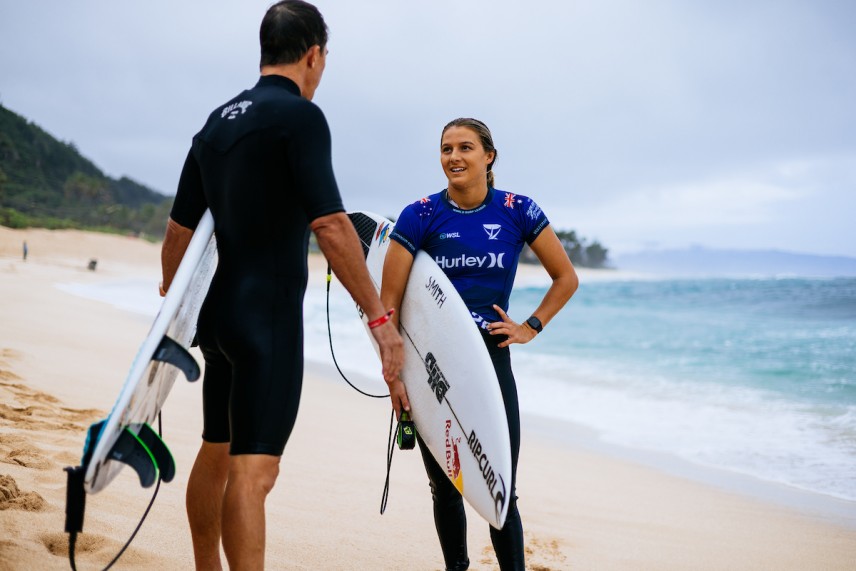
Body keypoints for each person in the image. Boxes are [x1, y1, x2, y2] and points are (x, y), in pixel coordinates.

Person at [159, 2, 404, 569]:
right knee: (255, 471)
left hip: (216, 319)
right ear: (314, 54)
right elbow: (331, 225)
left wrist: (173, 308)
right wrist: (378, 320)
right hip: (265, 321)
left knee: (216, 450)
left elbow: (177, 233)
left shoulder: (215, 122)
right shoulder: (301, 118)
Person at [381, 118, 578, 570]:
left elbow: (565, 278)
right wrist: (393, 375)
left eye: (465, 147)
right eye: (446, 148)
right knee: (445, 485)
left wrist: (531, 326)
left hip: (490, 360)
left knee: (499, 485)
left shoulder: (516, 209)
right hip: (430, 364)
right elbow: (387, 307)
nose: (454, 157)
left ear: (489, 157)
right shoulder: (421, 215)